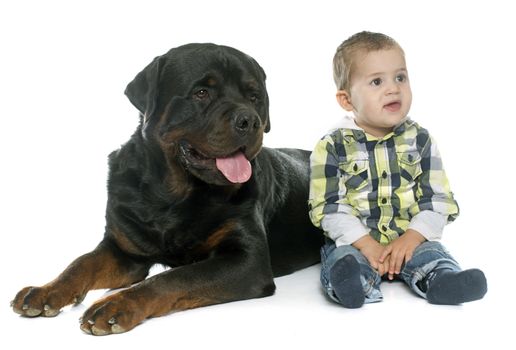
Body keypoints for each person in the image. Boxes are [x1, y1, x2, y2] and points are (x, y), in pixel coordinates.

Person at [308, 31, 487, 308]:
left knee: (432, 255)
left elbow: (437, 200)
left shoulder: (421, 140)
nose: (393, 89)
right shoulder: (332, 146)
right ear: (346, 99)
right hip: (355, 242)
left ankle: (444, 282)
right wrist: (366, 244)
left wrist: (412, 238)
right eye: (377, 81)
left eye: (400, 77)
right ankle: (352, 284)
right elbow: (329, 208)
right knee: (342, 259)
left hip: (410, 240)